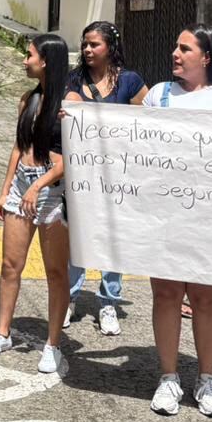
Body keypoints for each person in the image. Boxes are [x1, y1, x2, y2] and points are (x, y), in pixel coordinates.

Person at [142, 24, 212, 419]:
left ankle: (207, 378)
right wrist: (82, 123)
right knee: (166, 294)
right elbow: (132, 143)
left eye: (185, 48)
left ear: (207, 57)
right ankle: (168, 377)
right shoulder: (158, 95)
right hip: (166, 214)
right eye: (176, 46)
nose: (175, 53)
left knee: (206, 298)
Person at [0, 34, 71, 374]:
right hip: (21, 187)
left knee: (56, 272)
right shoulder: (28, 99)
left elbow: (71, 159)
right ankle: (2, 333)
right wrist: (5, 191)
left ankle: (53, 344)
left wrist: (38, 187)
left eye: (29, 55)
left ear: (45, 60)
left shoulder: (71, 102)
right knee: (9, 265)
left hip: (53, 192)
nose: (24, 60)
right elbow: (19, 146)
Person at [62, 21, 148, 336]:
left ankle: (108, 302)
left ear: (110, 47)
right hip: (80, 176)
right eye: (85, 44)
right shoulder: (73, 79)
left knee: (113, 240)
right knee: (77, 238)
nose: (87, 49)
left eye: (94, 44)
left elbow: (150, 119)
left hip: (118, 177)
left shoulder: (130, 81)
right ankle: (68, 298)